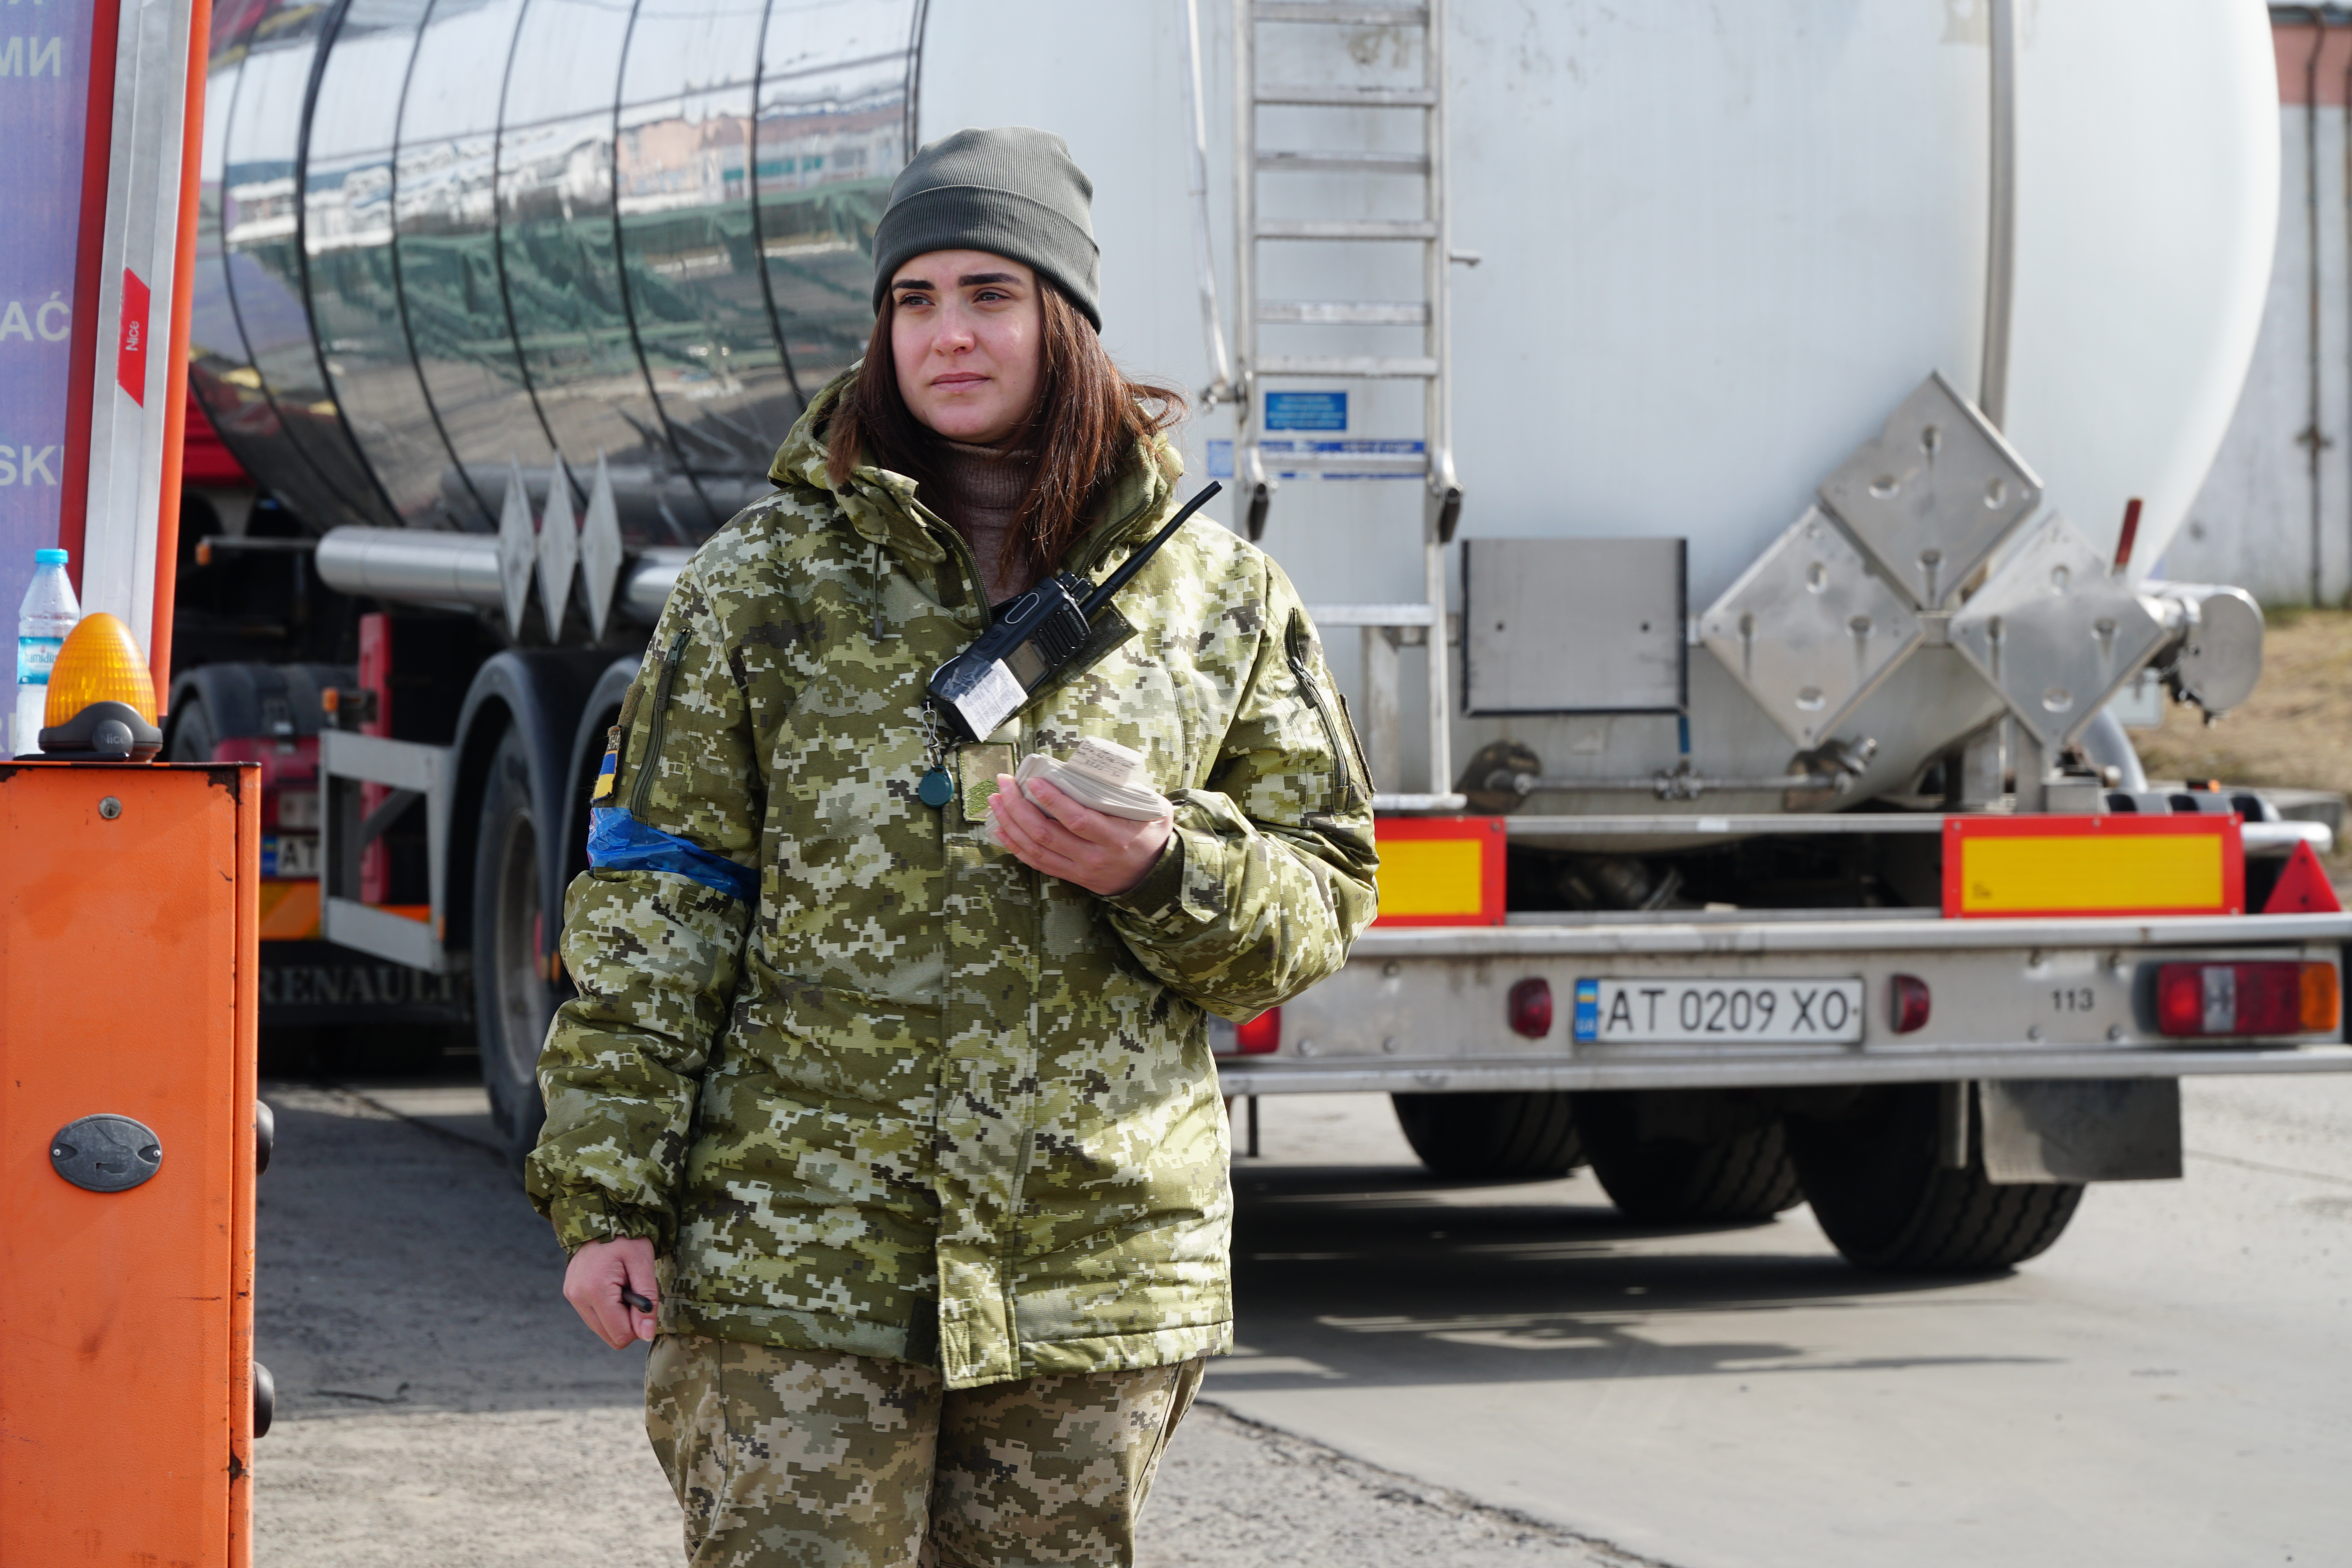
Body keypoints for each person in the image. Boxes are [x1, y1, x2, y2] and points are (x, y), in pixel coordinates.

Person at [527, 126, 1379, 1567]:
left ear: (1066, 320)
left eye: (989, 293)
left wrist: (1161, 866)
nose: (948, 333)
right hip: (801, 1264)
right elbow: (658, 904)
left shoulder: (1212, 597)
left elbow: (1323, 891)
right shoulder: (762, 586)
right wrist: (607, 1196)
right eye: (913, 300)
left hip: (1089, 1268)